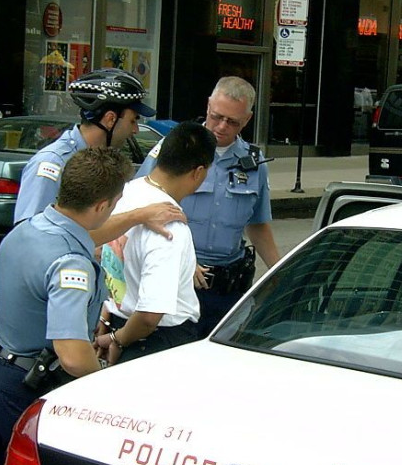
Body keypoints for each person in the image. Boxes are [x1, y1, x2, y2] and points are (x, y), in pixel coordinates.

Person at [0, 147, 133, 465]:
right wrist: (106, 384)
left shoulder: (27, 229)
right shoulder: (70, 262)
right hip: (31, 385)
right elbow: (72, 355)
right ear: (102, 206)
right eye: (116, 202)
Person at [136, 76, 281, 336]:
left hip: (228, 288)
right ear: (207, 107)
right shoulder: (176, 148)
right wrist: (185, 259)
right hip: (179, 281)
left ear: (246, 120)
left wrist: (280, 273)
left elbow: (258, 225)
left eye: (232, 121)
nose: (221, 126)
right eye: (217, 116)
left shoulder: (254, 163)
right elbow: (139, 202)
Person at [95, 121, 216, 365]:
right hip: (156, 341)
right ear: (199, 172)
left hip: (121, 322)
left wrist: (109, 316)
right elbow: (151, 315)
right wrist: (118, 341)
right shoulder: (169, 224)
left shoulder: (126, 193)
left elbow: (107, 259)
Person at [14, 67, 156, 224]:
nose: (135, 130)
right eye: (133, 120)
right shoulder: (53, 163)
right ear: (110, 119)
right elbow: (31, 232)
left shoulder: (107, 162)